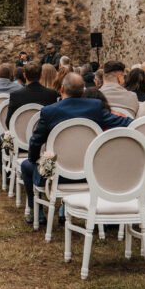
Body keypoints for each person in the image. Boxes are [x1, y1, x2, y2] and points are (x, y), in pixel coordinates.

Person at [21, 73, 132, 221]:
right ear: (83, 91)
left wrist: (35, 160)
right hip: (90, 175)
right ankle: (63, 208)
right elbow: (125, 123)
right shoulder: (96, 107)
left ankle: (38, 212)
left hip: (58, 176)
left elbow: (35, 142)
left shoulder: (49, 112)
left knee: (26, 165)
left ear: (61, 89)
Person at [6, 62, 58, 127]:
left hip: (20, 134)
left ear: (24, 75)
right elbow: (53, 120)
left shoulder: (15, 95)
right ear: (41, 75)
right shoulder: (52, 94)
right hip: (43, 135)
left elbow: (8, 122)